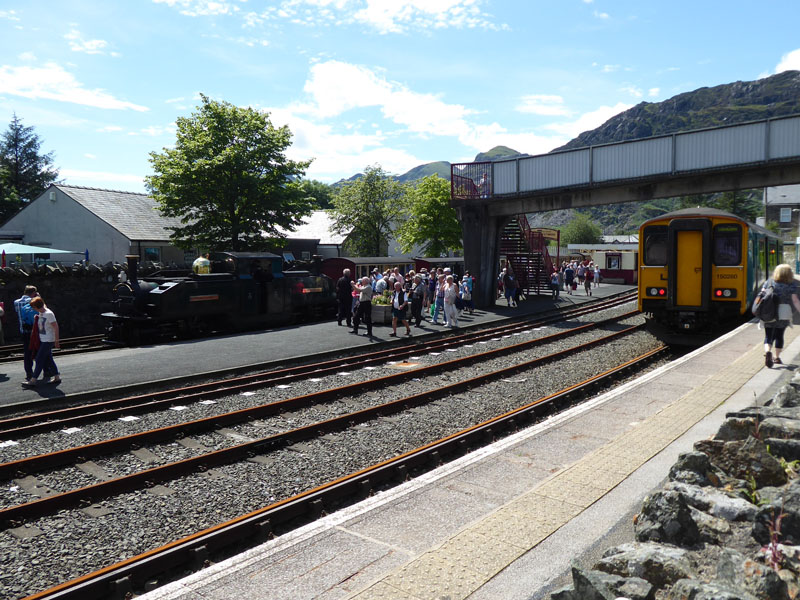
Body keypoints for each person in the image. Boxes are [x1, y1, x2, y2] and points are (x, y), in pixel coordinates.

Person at [761, 264, 800, 368]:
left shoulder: (769, 282)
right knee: (779, 335)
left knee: (768, 335)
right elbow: (795, 301)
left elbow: (762, 295)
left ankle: (768, 352)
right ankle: (777, 358)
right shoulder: (791, 285)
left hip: (769, 312)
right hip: (784, 312)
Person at [22, 296, 60, 387]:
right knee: (49, 359)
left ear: (36, 307)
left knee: (39, 359)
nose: (33, 309)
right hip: (43, 340)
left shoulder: (48, 314)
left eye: (33, 307)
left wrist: (57, 340)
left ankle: (33, 380)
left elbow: (56, 327)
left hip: (48, 340)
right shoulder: (41, 312)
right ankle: (57, 377)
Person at [14, 285, 38, 381]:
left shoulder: (16, 302)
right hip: (35, 330)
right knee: (40, 350)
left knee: (27, 352)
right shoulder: (34, 301)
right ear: (33, 293)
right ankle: (47, 370)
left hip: (24, 330)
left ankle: (29, 372)